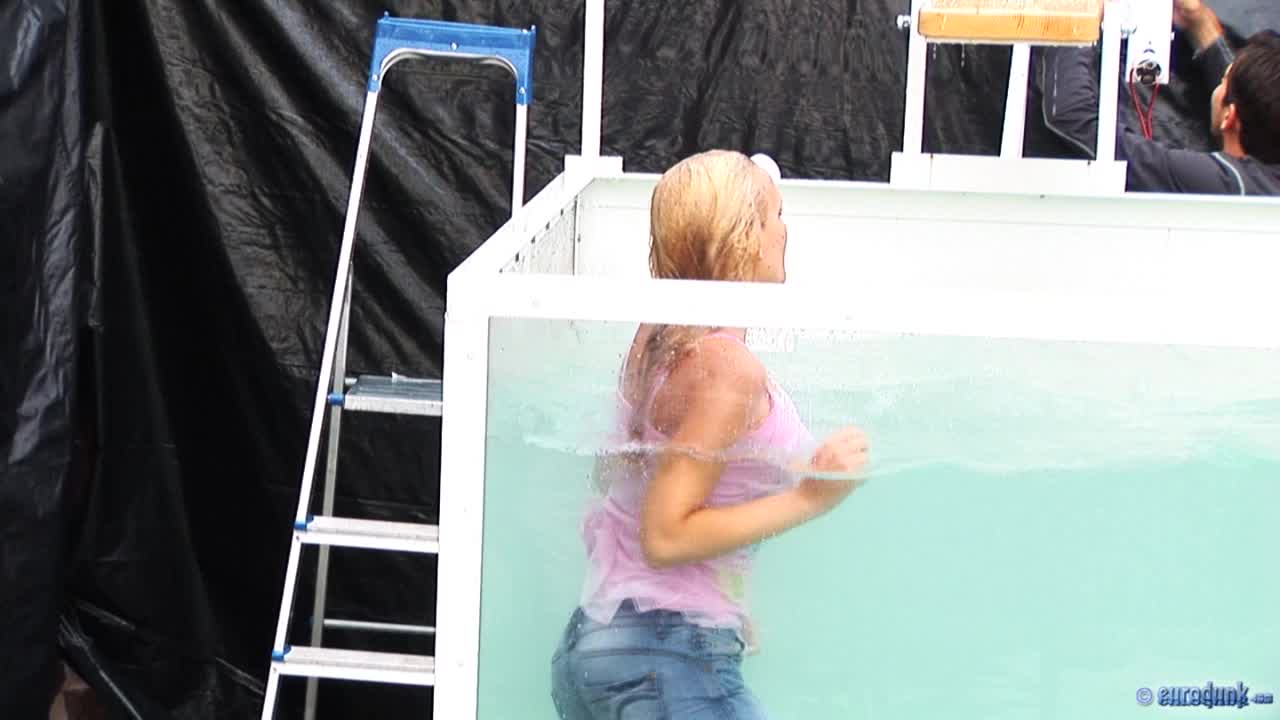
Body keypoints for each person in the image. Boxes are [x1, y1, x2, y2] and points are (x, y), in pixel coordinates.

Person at [549, 150, 868, 719]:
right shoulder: (726, 367)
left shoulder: (658, 336)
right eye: (775, 215)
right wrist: (811, 497)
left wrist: (726, 601)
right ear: (744, 240)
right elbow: (665, 536)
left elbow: (615, 475)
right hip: (665, 657)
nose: (785, 231)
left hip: (605, 643)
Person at [1035, 0, 1280, 195]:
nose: (1219, 83)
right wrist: (1202, 25)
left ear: (1229, 117)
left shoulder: (1219, 182)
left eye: (1223, 81)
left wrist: (1078, 18)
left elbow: (1074, 118)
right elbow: (1254, 98)